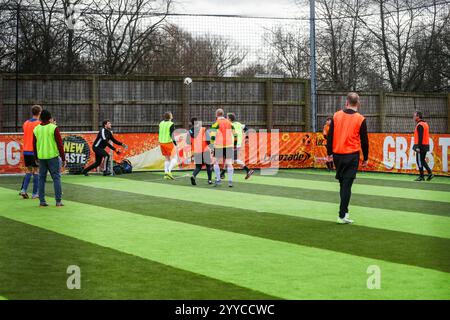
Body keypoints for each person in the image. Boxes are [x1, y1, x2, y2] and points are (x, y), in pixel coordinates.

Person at [326, 92, 369, 224]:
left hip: (338, 155)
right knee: (346, 186)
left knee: (343, 185)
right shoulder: (360, 119)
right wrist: (366, 158)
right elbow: (364, 141)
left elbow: (330, 136)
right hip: (351, 156)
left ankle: (344, 212)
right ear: (358, 103)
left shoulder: (336, 115)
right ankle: (342, 214)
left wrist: (329, 155)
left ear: (346, 102)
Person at [33, 109, 66, 207]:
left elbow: (34, 145)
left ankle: (42, 201)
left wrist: (36, 157)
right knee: (56, 178)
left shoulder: (36, 129)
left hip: (41, 158)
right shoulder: (53, 128)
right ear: (50, 118)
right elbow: (60, 144)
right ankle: (58, 201)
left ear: (40, 118)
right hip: (53, 157)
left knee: (41, 179)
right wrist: (63, 158)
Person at [220, 113, 254, 180]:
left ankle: (248, 170)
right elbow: (246, 128)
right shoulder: (238, 124)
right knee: (229, 159)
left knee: (232, 160)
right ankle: (222, 174)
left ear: (229, 119)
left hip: (232, 145)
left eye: (227, 117)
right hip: (237, 145)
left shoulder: (229, 125)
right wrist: (247, 138)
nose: (226, 118)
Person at [210, 109, 237, 187]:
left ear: (216, 114)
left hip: (219, 146)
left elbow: (212, 136)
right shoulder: (229, 123)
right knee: (229, 163)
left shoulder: (215, 124)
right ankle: (230, 182)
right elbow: (235, 135)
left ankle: (218, 180)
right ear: (223, 114)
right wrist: (234, 144)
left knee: (215, 162)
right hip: (229, 145)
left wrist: (211, 146)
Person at [19, 105, 42, 199]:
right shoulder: (39, 124)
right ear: (39, 113)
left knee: (28, 170)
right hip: (34, 151)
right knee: (36, 171)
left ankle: (23, 190)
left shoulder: (25, 123)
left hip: (26, 151)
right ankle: (35, 193)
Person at [187, 117, 213, 185]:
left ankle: (193, 175)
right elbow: (208, 141)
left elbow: (188, 142)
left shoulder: (190, 131)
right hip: (205, 150)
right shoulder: (203, 129)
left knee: (198, 167)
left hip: (197, 151)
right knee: (208, 165)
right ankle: (209, 180)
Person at [413, 111, 433, 181]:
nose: (414, 117)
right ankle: (430, 173)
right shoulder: (425, 124)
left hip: (421, 146)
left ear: (418, 116)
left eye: (414, 116)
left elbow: (420, 137)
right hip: (425, 145)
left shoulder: (420, 125)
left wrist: (418, 147)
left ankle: (421, 176)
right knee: (422, 160)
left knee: (419, 161)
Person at [158, 112, 178, 180]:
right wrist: (175, 144)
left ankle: (165, 173)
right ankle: (169, 172)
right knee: (175, 158)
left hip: (161, 143)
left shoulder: (161, 123)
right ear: (170, 117)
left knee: (167, 158)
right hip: (168, 142)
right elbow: (172, 135)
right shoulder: (171, 124)